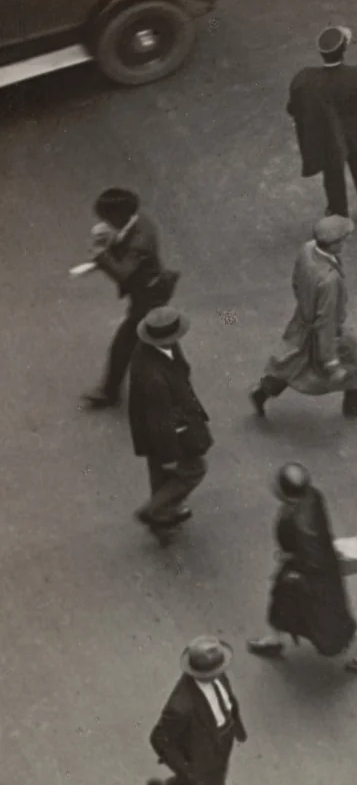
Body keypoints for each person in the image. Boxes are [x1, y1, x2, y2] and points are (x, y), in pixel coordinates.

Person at [246, 463, 357, 673]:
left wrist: (295, 570)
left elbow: (311, 556)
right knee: (285, 603)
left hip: (308, 577)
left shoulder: (297, 521)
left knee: (331, 618)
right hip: (309, 572)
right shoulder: (312, 497)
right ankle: (273, 639)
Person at [249, 215, 357, 418]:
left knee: (290, 363)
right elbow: (326, 323)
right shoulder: (329, 280)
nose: (345, 243)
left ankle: (262, 392)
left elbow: (296, 281)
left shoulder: (307, 249)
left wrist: (306, 305)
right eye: (343, 239)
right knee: (354, 360)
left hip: (301, 322)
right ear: (334, 245)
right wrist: (331, 362)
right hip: (323, 333)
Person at [146, 637, 252, 785]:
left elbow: (227, 702)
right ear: (198, 673)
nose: (219, 673)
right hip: (200, 762)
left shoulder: (217, 676)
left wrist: (234, 727)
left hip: (220, 746)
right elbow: (159, 739)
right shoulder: (180, 705)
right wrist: (188, 770)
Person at [82, 188, 176, 408]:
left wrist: (101, 256)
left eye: (109, 218)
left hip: (148, 296)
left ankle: (111, 391)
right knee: (150, 341)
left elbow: (124, 272)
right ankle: (113, 390)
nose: (107, 223)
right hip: (147, 294)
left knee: (128, 342)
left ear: (120, 214)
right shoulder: (138, 223)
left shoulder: (140, 241)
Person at [287, 26, 357, 221]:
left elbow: (292, 108)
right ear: (344, 51)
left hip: (327, 136)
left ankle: (338, 214)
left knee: (332, 175)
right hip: (355, 133)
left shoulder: (307, 79)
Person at [127, 307, 212, 538]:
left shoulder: (153, 349)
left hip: (154, 429)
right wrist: (170, 457)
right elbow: (160, 422)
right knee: (194, 469)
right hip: (169, 431)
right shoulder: (155, 378)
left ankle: (163, 517)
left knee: (161, 476)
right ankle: (155, 511)